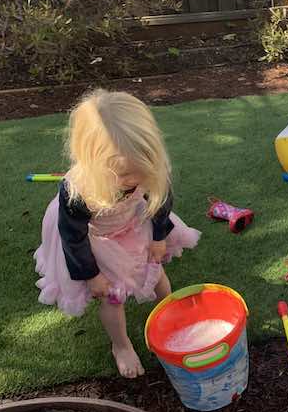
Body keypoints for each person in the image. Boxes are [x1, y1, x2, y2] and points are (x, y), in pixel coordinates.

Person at [34, 89, 200, 378]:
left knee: (156, 271)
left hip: (134, 226)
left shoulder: (148, 167)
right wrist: (91, 274)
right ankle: (121, 345)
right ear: (93, 163)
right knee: (114, 295)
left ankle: (172, 315)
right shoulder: (79, 191)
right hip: (97, 241)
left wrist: (160, 237)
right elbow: (73, 236)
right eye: (123, 176)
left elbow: (161, 201)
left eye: (141, 171)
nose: (134, 181)